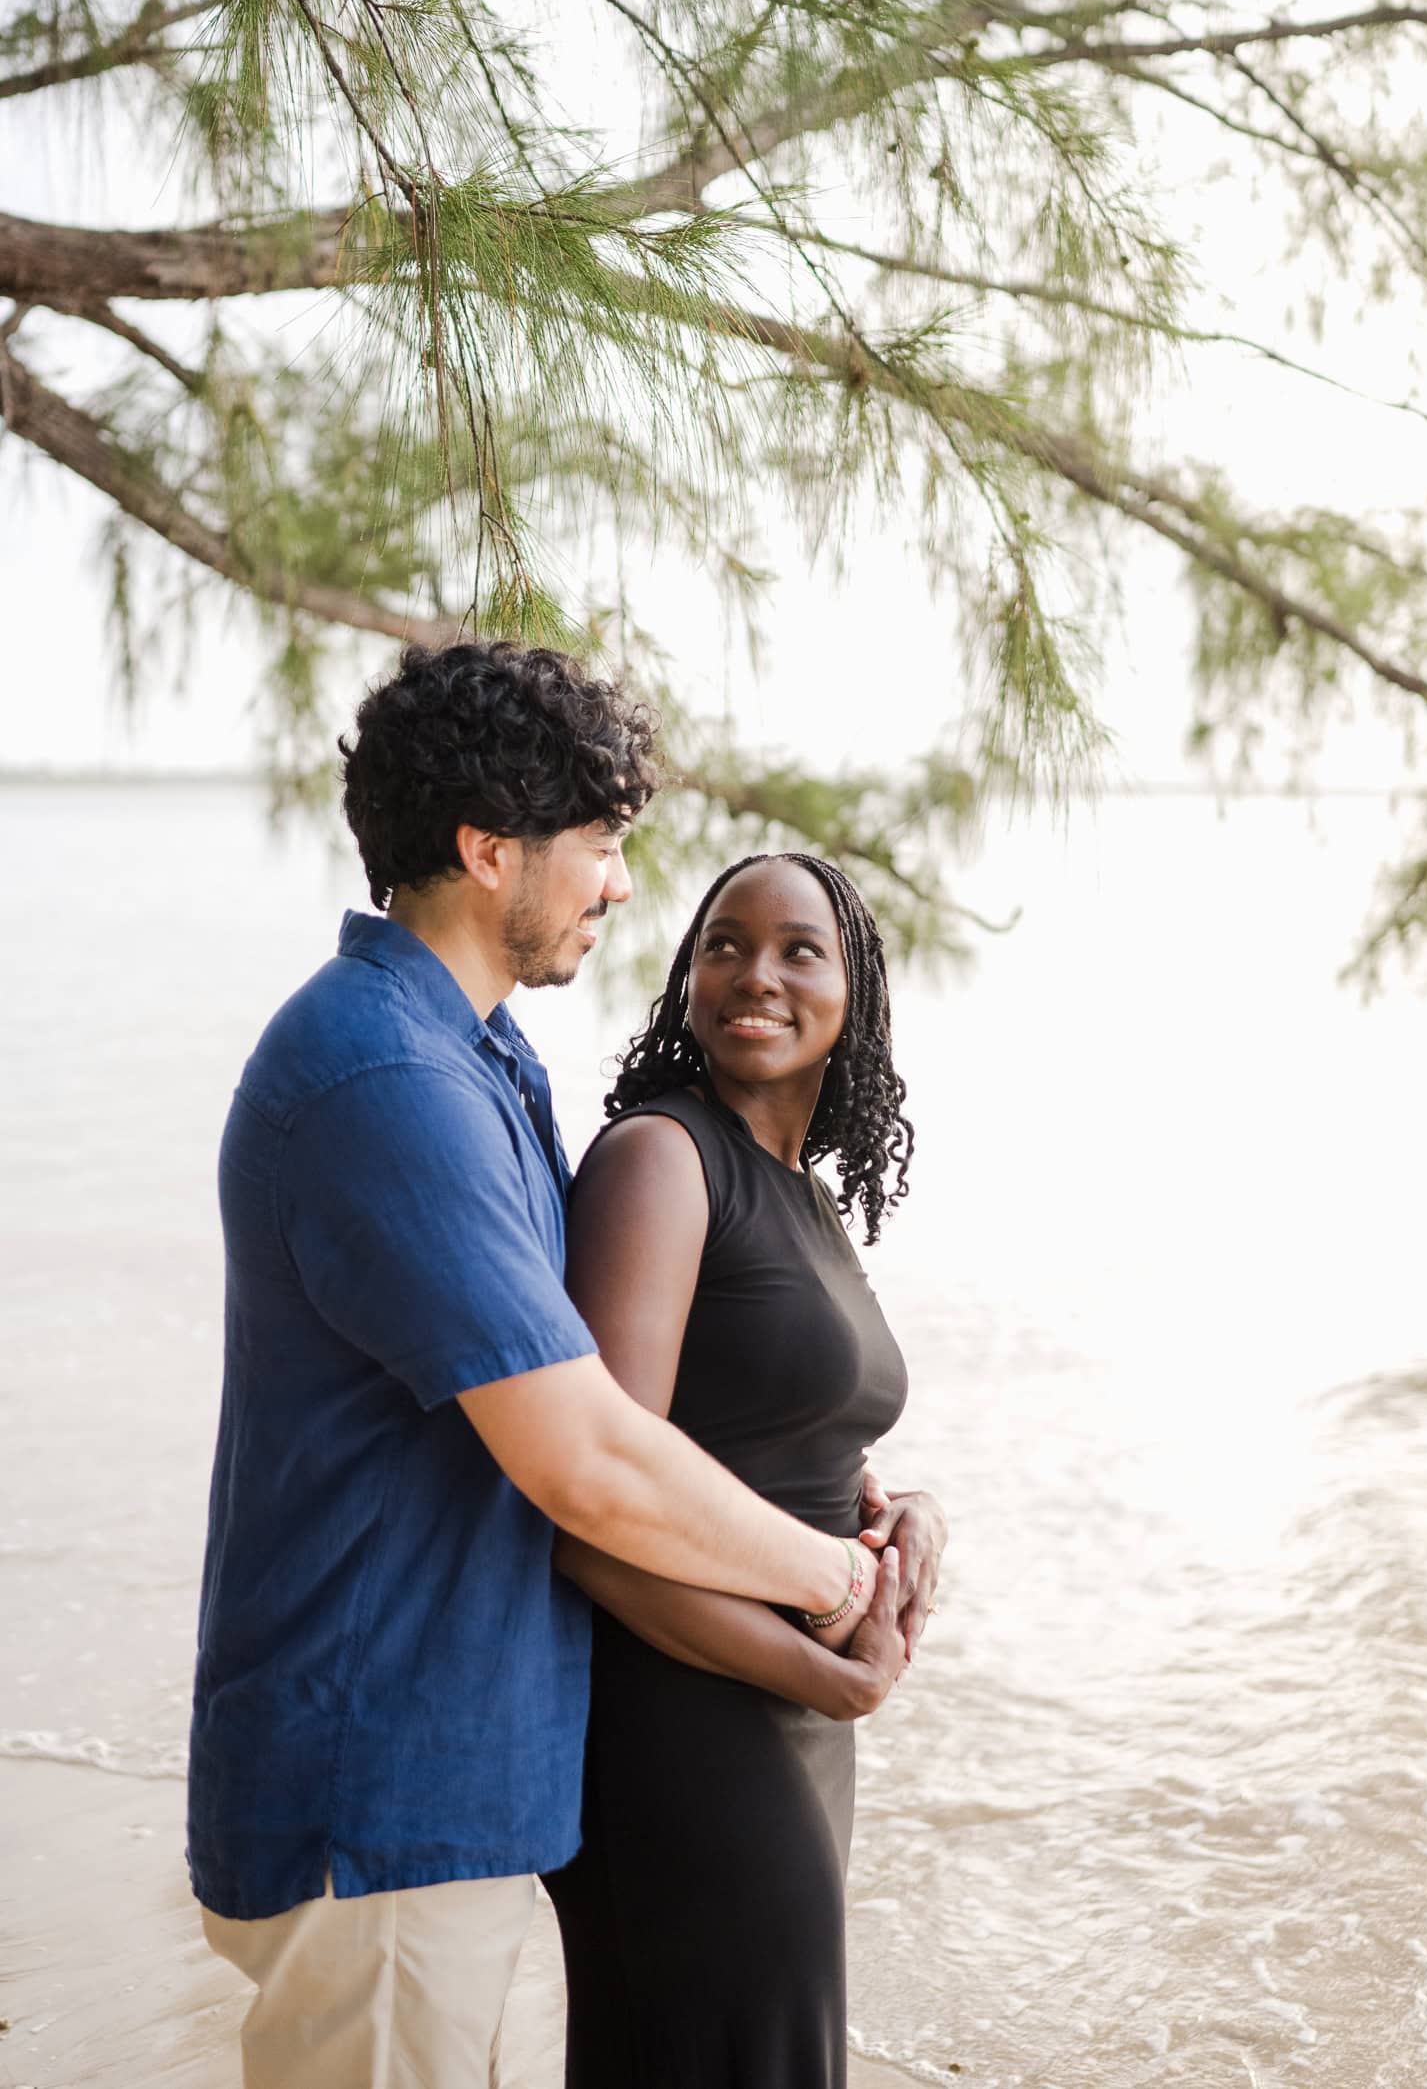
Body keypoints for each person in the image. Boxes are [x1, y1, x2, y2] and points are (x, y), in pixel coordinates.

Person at [187, 645, 902, 2089]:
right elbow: (581, 1449)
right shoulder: (384, 1074)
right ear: (485, 846)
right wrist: (834, 1583)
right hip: (375, 1788)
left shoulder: (473, 1061)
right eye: (601, 843)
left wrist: (879, 1519)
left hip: (444, 1787)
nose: (622, 885)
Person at [543, 850, 948, 2089]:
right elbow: (590, 1521)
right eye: (723, 943)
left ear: (855, 994)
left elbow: (781, 1437)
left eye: (797, 949)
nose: (753, 975)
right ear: (685, 975)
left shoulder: (800, 1195)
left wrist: (906, 1508)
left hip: (793, 1703)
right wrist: (822, 1679)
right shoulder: (661, 1160)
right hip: (688, 1715)